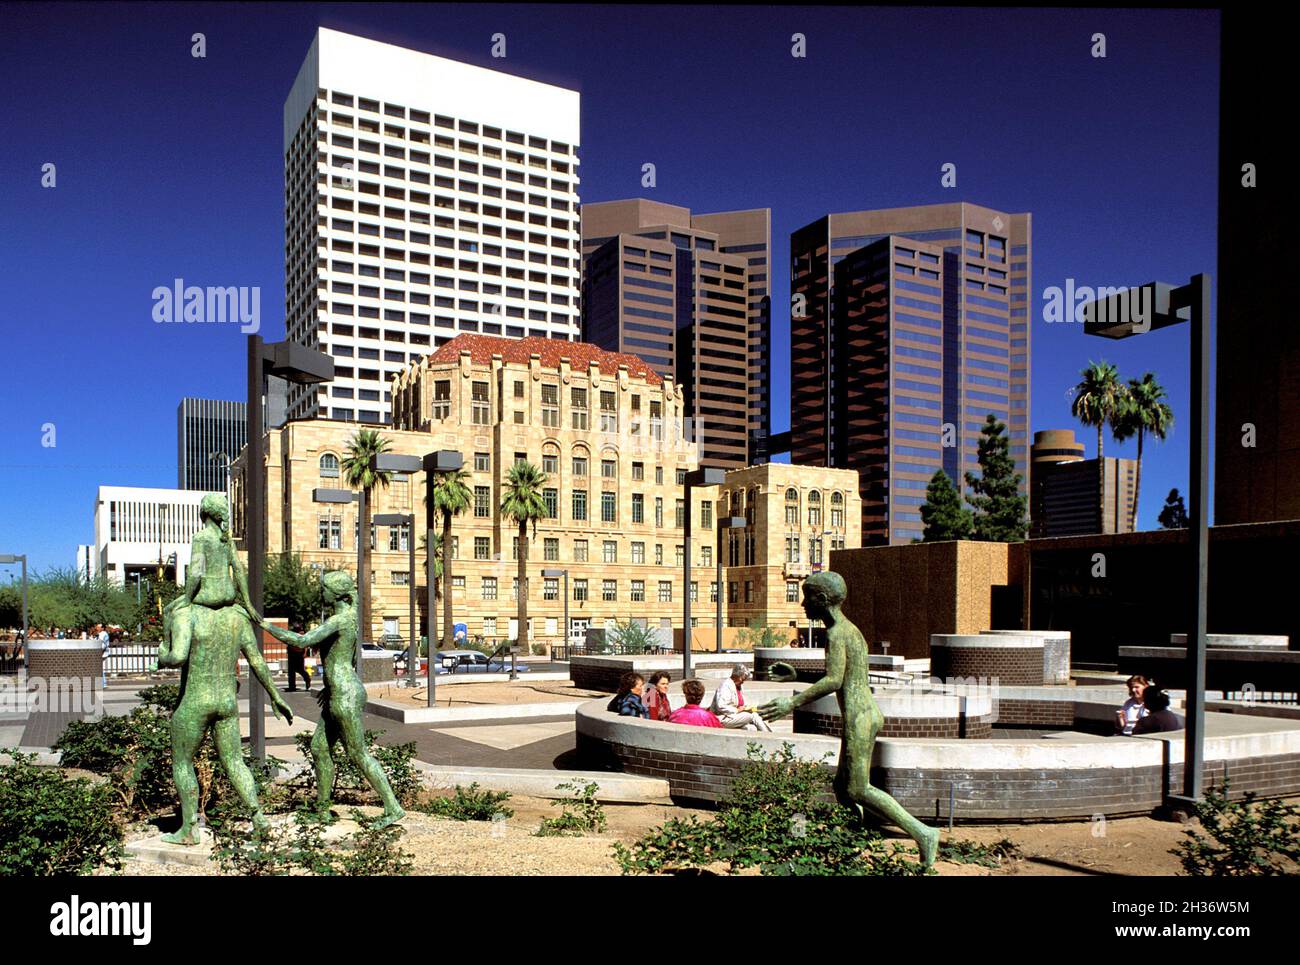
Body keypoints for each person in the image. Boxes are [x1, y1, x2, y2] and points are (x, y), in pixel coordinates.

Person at [757, 571, 940, 868]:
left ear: (822, 599)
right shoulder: (850, 630)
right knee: (843, 789)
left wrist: (791, 702)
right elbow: (843, 677)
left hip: (860, 719)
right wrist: (798, 675)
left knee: (858, 789)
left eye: (808, 596)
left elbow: (833, 681)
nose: (803, 604)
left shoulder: (836, 633)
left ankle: (923, 833)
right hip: (862, 714)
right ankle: (856, 840)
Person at [156, 494, 293, 845]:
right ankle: (257, 817)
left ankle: (187, 830)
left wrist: (161, 649)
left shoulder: (189, 612)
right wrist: (276, 696)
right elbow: (259, 662)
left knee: (182, 763)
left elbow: (176, 657)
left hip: (196, 703)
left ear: (203, 515)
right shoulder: (237, 618)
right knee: (235, 762)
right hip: (226, 703)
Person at [258, 571, 406, 829]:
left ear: (337, 594)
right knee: (320, 747)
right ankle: (324, 810)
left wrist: (265, 625)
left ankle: (393, 807)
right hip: (340, 691)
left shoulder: (340, 620)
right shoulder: (349, 619)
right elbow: (345, 658)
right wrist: (330, 687)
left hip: (344, 694)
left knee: (357, 753)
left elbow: (302, 641)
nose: (321, 592)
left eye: (325, 588)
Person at [711, 664, 771, 731]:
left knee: (751, 728)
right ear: (735, 675)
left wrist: (746, 708)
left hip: (735, 717)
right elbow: (721, 706)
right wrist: (737, 710)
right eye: (742, 679)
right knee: (752, 716)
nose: (743, 682)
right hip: (724, 718)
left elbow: (741, 704)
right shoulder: (725, 686)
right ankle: (768, 734)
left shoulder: (739, 686)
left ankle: (767, 734)